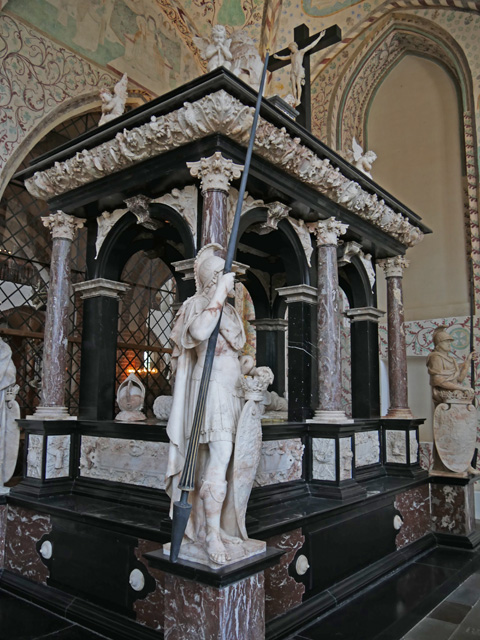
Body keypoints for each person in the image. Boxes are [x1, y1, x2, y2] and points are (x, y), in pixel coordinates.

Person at [165, 244, 253, 564]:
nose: (232, 284)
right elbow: (199, 333)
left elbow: (238, 347)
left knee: (225, 462)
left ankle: (213, 526)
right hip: (210, 389)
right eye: (225, 278)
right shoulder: (197, 304)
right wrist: (217, 295)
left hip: (232, 390)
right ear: (213, 278)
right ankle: (211, 534)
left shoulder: (229, 310)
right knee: (219, 456)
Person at [426, 327, 477, 404]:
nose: (449, 344)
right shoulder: (435, 358)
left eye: (449, 341)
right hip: (443, 394)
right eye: (446, 341)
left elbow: (459, 379)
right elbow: (438, 381)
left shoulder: (452, 359)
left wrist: (468, 361)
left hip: (454, 392)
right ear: (438, 344)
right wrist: (462, 388)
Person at [273, 30, 325, 106]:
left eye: (291, 48)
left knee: (298, 83)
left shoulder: (301, 52)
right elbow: (284, 58)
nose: (291, 50)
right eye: (290, 49)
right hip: (293, 71)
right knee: (293, 85)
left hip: (299, 70)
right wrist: (278, 57)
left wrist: (320, 37)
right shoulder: (292, 55)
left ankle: (299, 99)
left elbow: (311, 46)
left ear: (295, 46)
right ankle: (295, 99)